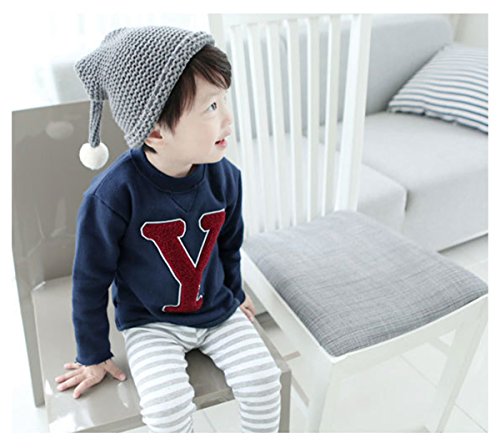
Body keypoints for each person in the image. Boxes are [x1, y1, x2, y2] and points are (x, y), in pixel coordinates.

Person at [54, 26, 281, 433]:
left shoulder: (226, 178)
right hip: (151, 322)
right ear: (156, 131)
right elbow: (90, 280)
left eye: (224, 100)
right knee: (166, 407)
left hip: (217, 311)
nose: (228, 119)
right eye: (211, 107)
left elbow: (228, 245)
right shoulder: (112, 196)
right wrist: (93, 353)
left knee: (264, 380)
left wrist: (235, 292)